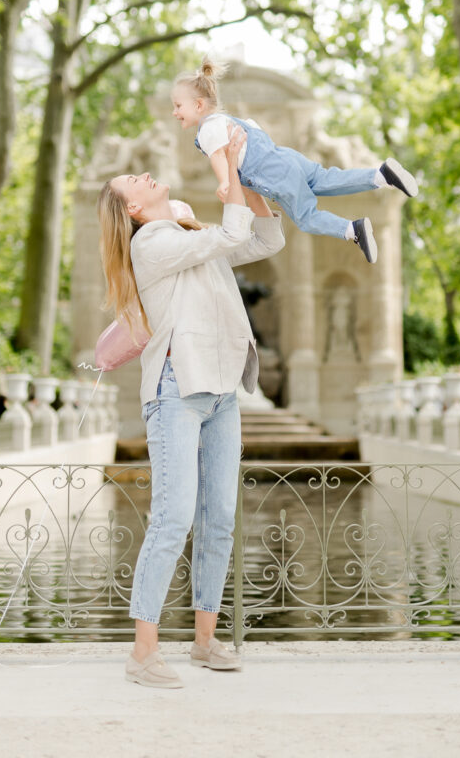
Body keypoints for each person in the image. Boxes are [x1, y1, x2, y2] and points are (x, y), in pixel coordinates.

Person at [97, 126, 284, 689]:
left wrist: (250, 182)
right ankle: (142, 654)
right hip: (177, 389)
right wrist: (225, 161)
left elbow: (264, 241)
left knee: (219, 519)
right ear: (133, 206)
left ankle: (205, 641)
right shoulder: (151, 243)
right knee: (173, 519)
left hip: (222, 387)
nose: (145, 174)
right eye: (135, 179)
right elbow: (230, 232)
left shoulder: (189, 232)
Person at [171, 58, 419, 264]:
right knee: (327, 178)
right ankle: (381, 175)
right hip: (287, 158)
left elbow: (219, 161)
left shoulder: (206, 131)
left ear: (199, 104)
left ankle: (353, 229)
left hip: (272, 174)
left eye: (178, 106)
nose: (175, 112)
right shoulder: (233, 121)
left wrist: (225, 183)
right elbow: (258, 142)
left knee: (306, 217)